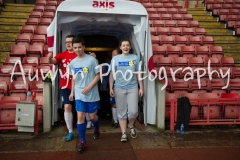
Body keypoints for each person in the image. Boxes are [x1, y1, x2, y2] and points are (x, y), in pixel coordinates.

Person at [69, 36, 100, 152]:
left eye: (79, 47)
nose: (77, 50)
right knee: (80, 116)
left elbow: (98, 75)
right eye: (75, 48)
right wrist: (72, 92)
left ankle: (97, 127)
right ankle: (82, 141)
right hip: (79, 94)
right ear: (73, 48)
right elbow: (73, 78)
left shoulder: (92, 60)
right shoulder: (72, 63)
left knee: (92, 117)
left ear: (84, 47)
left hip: (91, 93)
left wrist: (89, 87)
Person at [109, 39, 144, 142]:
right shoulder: (115, 59)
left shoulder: (135, 58)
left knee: (134, 112)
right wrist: (111, 87)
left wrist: (141, 87)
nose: (125, 47)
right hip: (119, 87)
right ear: (120, 47)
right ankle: (124, 133)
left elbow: (138, 73)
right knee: (121, 111)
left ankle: (131, 125)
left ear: (130, 47)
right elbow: (112, 74)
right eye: (123, 45)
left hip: (132, 87)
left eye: (127, 45)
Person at [48, 35, 76, 142]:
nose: (68, 44)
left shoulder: (80, 55)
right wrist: (49, 58)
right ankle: (70, 131)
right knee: (67, 107)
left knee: (80, 109)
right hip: (65, 86)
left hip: (79, 86)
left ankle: (86, 125)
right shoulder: (63, 55)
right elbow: (52, 62)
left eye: (70, 42)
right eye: (66, 42)